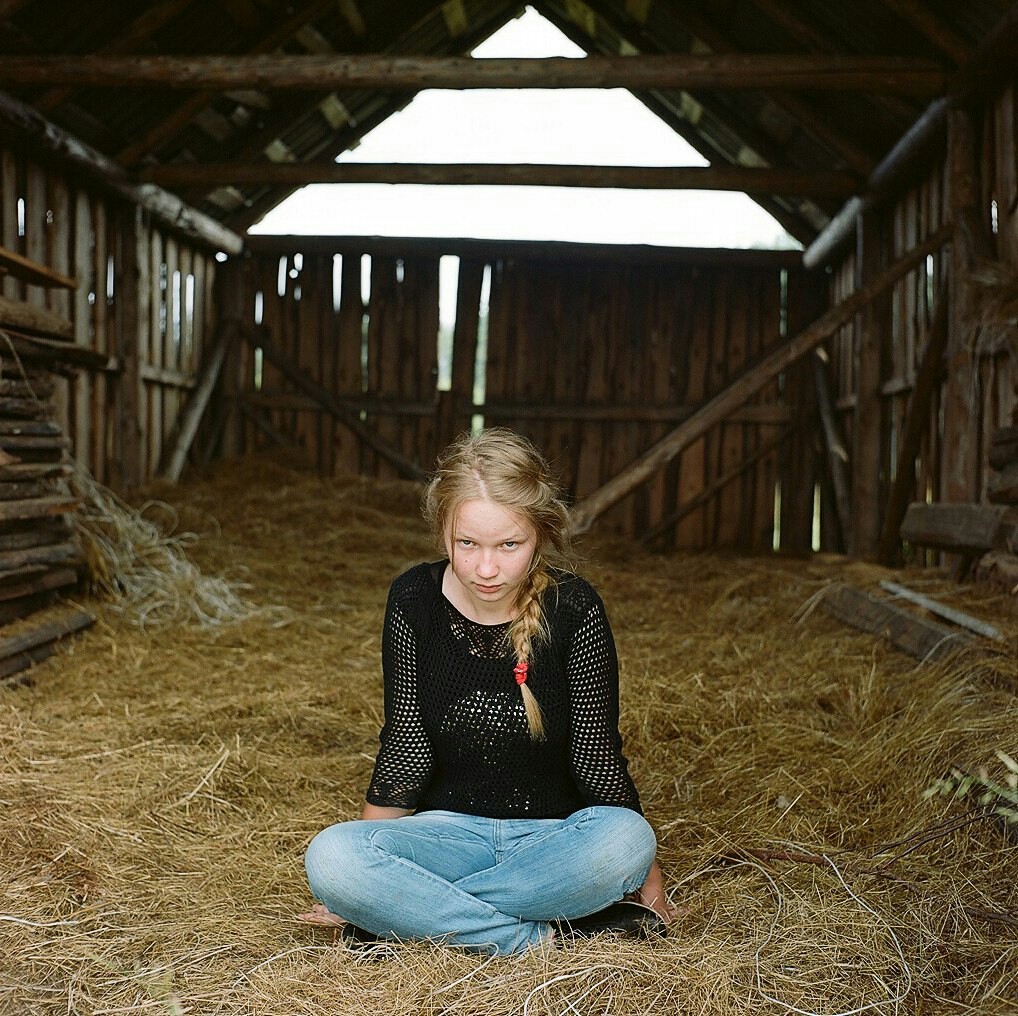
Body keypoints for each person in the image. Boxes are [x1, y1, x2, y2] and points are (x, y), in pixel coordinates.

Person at [299, 428, 674, 956]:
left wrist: (648, 877)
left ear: (540, 535)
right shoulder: (413, 599)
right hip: (446, 838)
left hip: (553, 843)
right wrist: (365, 863)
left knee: (626, 841)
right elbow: (407, 745)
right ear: (442, 534)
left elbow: (596, 756)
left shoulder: (576, 609)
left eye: (509, 545)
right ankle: (535, 937)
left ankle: (410, 920)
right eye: (467, 544)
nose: (487, 568)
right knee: (333, 858)